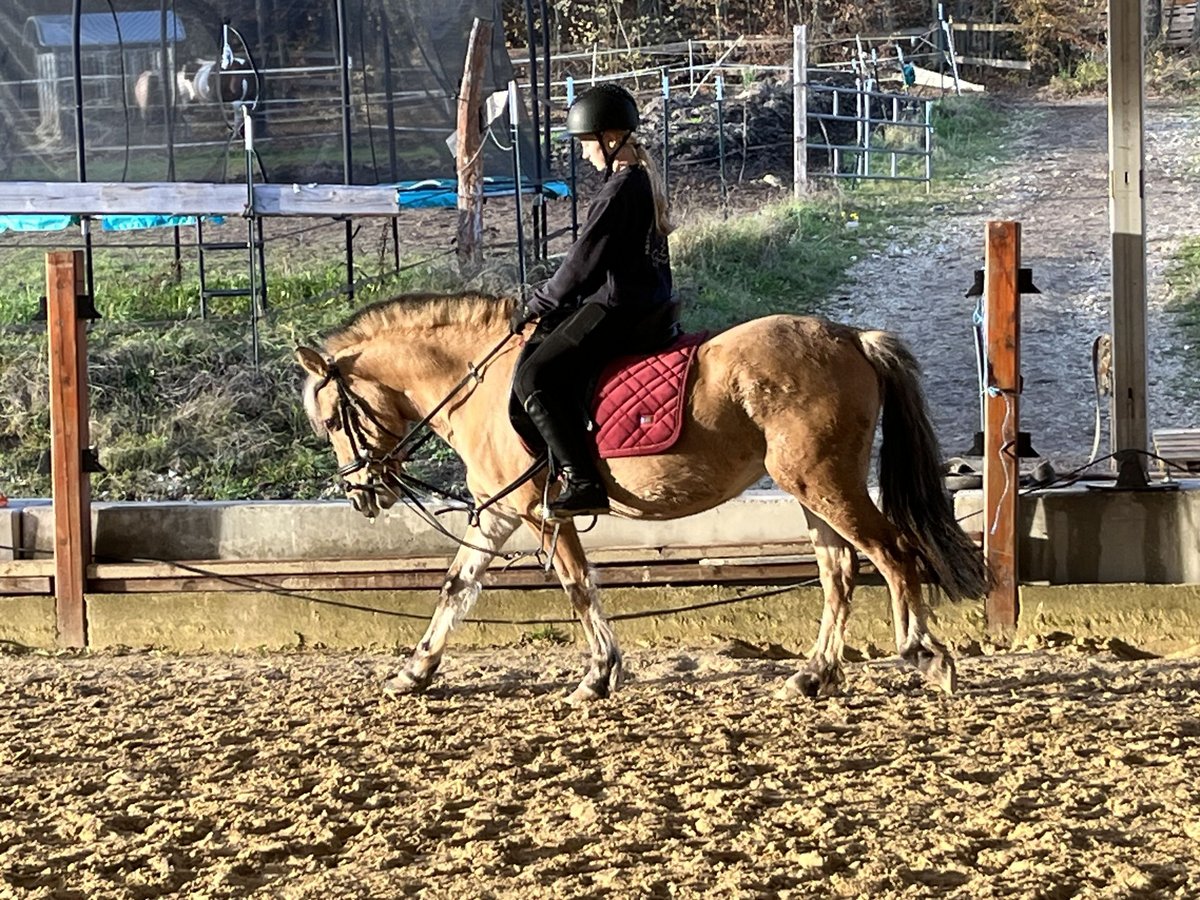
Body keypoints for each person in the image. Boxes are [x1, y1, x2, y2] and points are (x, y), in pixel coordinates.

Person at [510, 83, 678, 519]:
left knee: (532, 376)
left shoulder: (618, 191)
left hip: (620, 308)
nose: (585, 154)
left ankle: (582, 481)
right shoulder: (641, 180)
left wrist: (536, 304)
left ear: (610, 139)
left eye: (587, 143)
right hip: (647, 301)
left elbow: (580, 266)